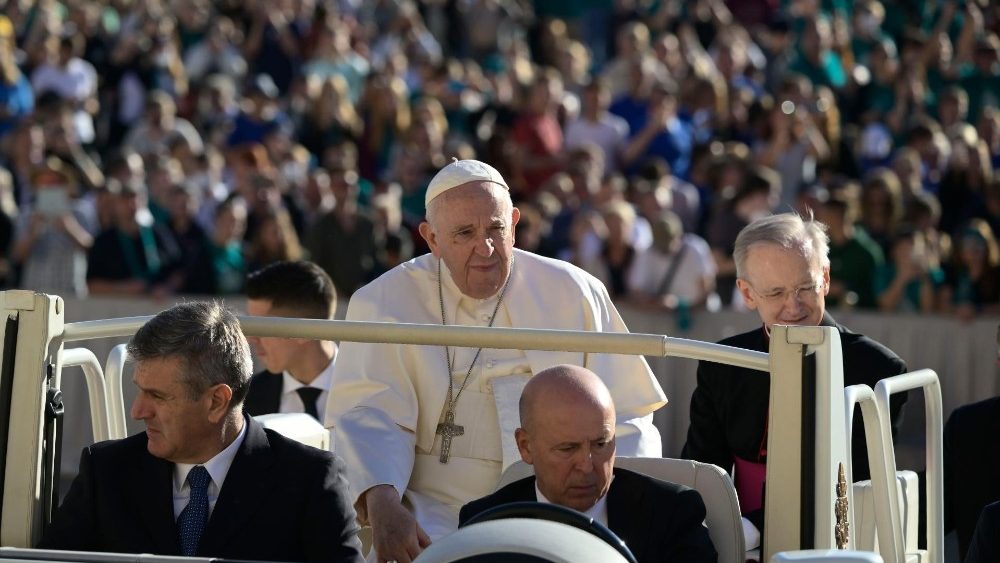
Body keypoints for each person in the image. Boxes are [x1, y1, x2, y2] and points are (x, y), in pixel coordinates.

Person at [327, 159, 667, 563]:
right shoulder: (383, 302)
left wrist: (611, 511)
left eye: (495, 229)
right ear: (431, 238)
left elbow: (626, 415)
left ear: (515, 224)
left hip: (556, 511)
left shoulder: (574, 291)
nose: (485, 248)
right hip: (430, 512)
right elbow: (368, 416)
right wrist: (383, 505)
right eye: (465, 234)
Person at [39, 302, 363, 562]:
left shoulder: (309, 481)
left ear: (217, 401)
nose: (138, 411)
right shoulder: (106, 472)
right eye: (140, 390)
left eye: (158, 396)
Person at [682, 212, 907, 544]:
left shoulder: (877, 368)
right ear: (747, 293)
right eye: (775, 293)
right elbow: (702, 469)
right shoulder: (723, 362)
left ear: (825, 279)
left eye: (805, 287)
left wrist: (752, 529)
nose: (793, 306)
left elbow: (855, 482)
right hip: (734, 538)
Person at [459, 365, 717, 563]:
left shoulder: (672, 515)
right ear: (525, 446)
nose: (586, 465)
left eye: (600, 444)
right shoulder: (485, 526)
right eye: (567, 448)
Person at [244, 260, 338, 421]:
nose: (251, 338)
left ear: (304, 331)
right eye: (251, 325)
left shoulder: (374, 391)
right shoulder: (245, 399)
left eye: (262, 327)